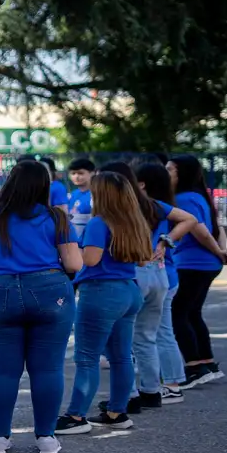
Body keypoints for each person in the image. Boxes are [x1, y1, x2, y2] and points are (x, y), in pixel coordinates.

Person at [0, 160, 81, 453]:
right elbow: (75, 263)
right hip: (50, 290)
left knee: (1, 370)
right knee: (48, 368)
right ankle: (46, 438)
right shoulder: (56, 218)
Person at [104, 162, 208, 410]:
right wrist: (166, 241)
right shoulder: (151, 204)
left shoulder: (119, 207)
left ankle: (129, 396)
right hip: (158, 274)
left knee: (123, 340)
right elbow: (190, 220)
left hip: (134, 272)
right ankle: (153, 390)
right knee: (149, 336)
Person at [56, 172, 153, 434]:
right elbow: (144, 260)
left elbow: (90, 260)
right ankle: (116, 411)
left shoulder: (99, 223)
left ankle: (76, 417)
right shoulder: (136, 222)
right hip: (129, 289)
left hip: (101, 292)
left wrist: (72, 247)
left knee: (87, 357)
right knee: (122, 357)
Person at [168, 155, 227, 387]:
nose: (167, 174)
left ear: (181, 174)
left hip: (192, 263)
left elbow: (202, 231)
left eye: (170, 170)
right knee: (192, 312)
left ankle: (195, 367)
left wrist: (219, 252)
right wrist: (220, 252)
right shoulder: (197, 196)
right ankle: (207, 362)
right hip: (201, 264)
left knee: (177, 314)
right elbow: (218, 227)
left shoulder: (184, 199)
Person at [66, 158, 96, 239]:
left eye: (80, 173)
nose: (76, 176)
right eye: (73, 173)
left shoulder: (96, 194)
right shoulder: (72, 195)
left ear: (92, 173)